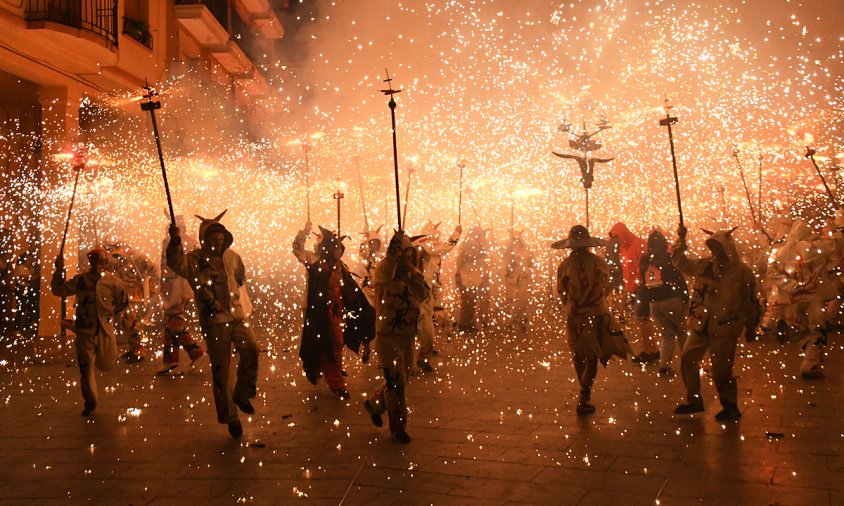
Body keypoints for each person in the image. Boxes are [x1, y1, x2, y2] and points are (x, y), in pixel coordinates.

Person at [167, 210, 258, 438]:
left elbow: (240, 280)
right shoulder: (194, 260)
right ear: (204, 240)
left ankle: (243, 391)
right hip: (214, 321)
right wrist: (175, 241)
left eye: (221, 239)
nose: (217, 242)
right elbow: (176, 262)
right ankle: (231, 417)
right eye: (213, 239)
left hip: (237, 317)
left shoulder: (233, 257)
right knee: (222, 371)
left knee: (252, 348)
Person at [672, 225, 760, 421]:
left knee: (721, 369)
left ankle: (730, 406)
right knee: (688, 358)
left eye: (718, 248)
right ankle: (694, 400)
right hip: (701, 324)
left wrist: (752, 326)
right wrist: (681, 241)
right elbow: (682, 263)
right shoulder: (707, 266)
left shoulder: (743, 272)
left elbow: (751, 301)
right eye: (713, 248)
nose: (715, 252)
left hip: (726, 328)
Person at [555, 225, 633, 416]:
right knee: (591, 356)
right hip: (595, 313)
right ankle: (584, 395)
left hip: (575, 315)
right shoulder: (598, 262)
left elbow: (561, 291)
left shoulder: (564, 266)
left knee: (578, 353)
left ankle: (583, 391)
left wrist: (572, 303)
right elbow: (605, 287)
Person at [293, 222, 375, 399]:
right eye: (336, 248)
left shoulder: (339, 266)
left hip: (335, 312)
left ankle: (331, 372)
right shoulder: (315, 261)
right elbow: (298, 249)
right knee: (322, 343)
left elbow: (348, 290)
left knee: (334, 343)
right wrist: (305, 231)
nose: (339, 252)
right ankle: (329, 376)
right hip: (316, 310)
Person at [363, 230, 430, 443]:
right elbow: (387, 270)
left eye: (411, 254)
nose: (408, 258)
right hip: (388, 334)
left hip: (408, 334)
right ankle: (398, 427)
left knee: (402, 378)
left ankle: (376, 402)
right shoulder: (385, 270)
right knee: (397, 381)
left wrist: (413, 272)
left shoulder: (412, 274)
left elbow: (424, 294)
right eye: (405, 254)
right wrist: (395, 246)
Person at [51, 248, 129, 416]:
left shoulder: (113, 282)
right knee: (86, 368)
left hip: (104, 331)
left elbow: (123, 301)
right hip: (85, 331)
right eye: (98, 261)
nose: (101, 265)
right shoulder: (81, 280)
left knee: (107, 361)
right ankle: (90, 401)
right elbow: (59, 290)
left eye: (103, 261)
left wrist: (109, 313)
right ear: (92, 262)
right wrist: (58, 270)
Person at [158, 216, 207, 375]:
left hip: (177, 286)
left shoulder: (172, 242)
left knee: (174, 322)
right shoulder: (187, 241)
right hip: (176, 285)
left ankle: (195, 351)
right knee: (171, 322)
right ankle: (171, 359)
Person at [413, 221, 461, 372]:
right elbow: (447, 246)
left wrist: (438, 303)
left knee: (427, 333)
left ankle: (421, 358)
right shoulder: (420, 247)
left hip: (426, 298)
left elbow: (436, 282)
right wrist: (456, 234)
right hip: (413, 297)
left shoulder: (434, 257)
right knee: (414, 333)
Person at [639, 230, 689, 376]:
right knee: (682, 331)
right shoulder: (669, 258)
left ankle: (664, 365)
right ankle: (688, 361)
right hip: (671, 300)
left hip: (654, 304)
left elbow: (644, 281)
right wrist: (685, 298)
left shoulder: (645, 260)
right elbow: (679, 279)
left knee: (667, 335)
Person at [608, 222, 658, 363]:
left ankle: (649, 351)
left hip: (642, 286)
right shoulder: (623, 249)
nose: (615, 240)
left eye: (616, 237)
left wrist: (640, 283)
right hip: (634, 287)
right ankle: (651, 349)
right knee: (642, 319)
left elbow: (644, 265)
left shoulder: (639, 244)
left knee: (642, 317)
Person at [106, 243, 159, 364]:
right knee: (128, 323)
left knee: (132, 324)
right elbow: (111, 267)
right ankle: (134, 349)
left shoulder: (138, 259)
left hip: (134, 296)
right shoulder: (121, 261)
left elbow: (154, 270)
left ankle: (138, 352)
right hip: (125, 296)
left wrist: (151, 288)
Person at [455, 225, 490, 333]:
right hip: (465, 276)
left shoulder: (475, 243)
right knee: (468, 302)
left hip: (473, 276)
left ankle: (469, 323)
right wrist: (483, 243)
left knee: (472, 301)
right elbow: (477, 254)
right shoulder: (468, 244)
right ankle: (464, 325)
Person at [503, 228, 533, 330]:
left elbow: (530, 262)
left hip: (523, 277)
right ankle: (510, 321)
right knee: (510, 300)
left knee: (523, 300)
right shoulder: (509, 249)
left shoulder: (526, 249)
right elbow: (506, 263)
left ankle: (521, 320)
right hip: (512, 278)